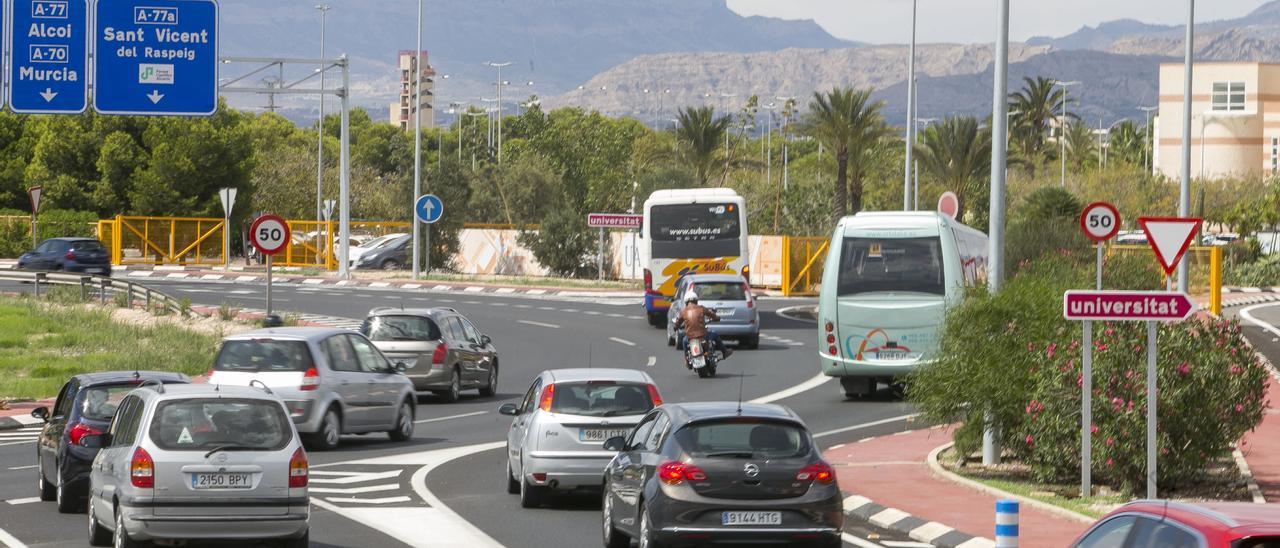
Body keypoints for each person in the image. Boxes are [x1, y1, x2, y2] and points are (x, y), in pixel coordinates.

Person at [673, 292, 732, 359]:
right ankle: (725, 352)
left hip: (690, 337)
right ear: (696, 301)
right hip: (703, 336)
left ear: (686, 302)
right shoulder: (701, 308)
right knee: (715, 335)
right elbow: (712, 315)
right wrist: (717, 318)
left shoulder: (683, 312)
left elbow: (677, 323)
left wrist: (675, 327)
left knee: (684, 341)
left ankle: (686, 360)